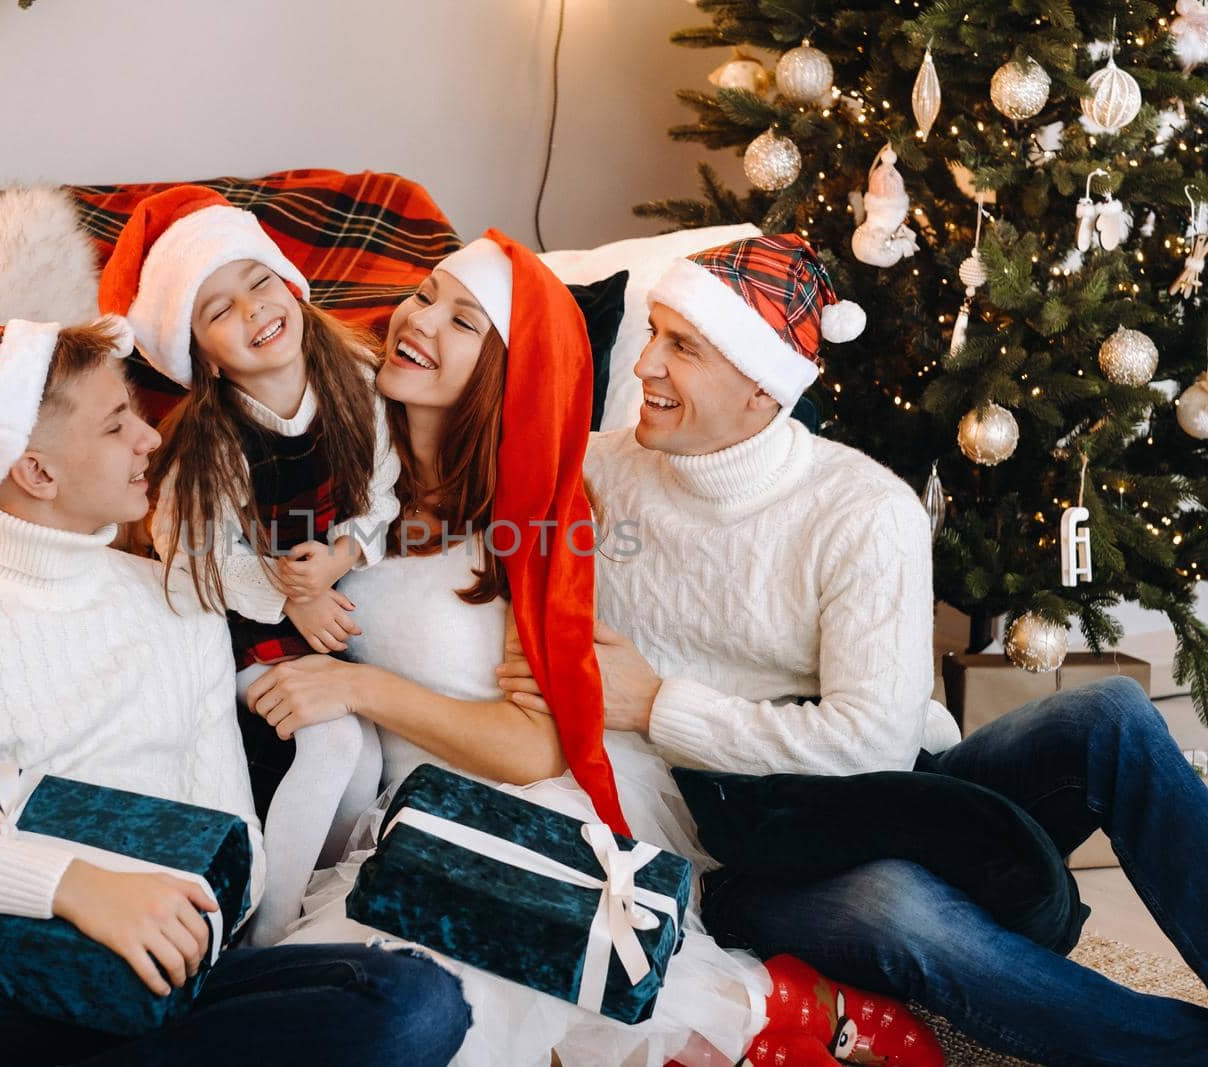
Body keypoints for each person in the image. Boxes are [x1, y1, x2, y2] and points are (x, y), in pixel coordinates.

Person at [502, 231, 1208, 1066]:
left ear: (764, 389)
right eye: (652, 332)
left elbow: (872, 743)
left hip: (886, 788)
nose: (646, 364)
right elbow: (439, 508)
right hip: (727, 852)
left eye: (681, 345)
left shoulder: (863, 511)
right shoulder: (595, 474)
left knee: (1113, 715)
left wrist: (659, 704)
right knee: (901, 906)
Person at [0, 317, 469, 1067]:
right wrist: (76, 887)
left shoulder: (178, 600)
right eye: (118, 424)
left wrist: (190, 922)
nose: (151, 439)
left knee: (412, 1003)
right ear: (38, 473)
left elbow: (231, 833)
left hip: (159, 989)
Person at [247, 234, 771, 1067]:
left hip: (523, 802)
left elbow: (535, 747)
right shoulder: (348, 480)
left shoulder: (531, 513)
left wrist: (358, 689)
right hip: (392, 811)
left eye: (463, 320)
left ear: (503, 374)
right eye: (423, 296)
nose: (419, 322)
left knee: (496, 999)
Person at [98, 186, 398, 944]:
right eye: (219, 309)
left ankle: (317, 903)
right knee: (332, 742)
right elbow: (195, 562)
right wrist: (290, 595)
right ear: (199, 352)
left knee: (365, 757)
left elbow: (385, 491)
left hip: (319, 591)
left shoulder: (354, 379)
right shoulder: (210, 441)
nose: (254, 310)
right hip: (234, 622)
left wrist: (340, 556)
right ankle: (262, 935)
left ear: (288, 283)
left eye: (258, 281)